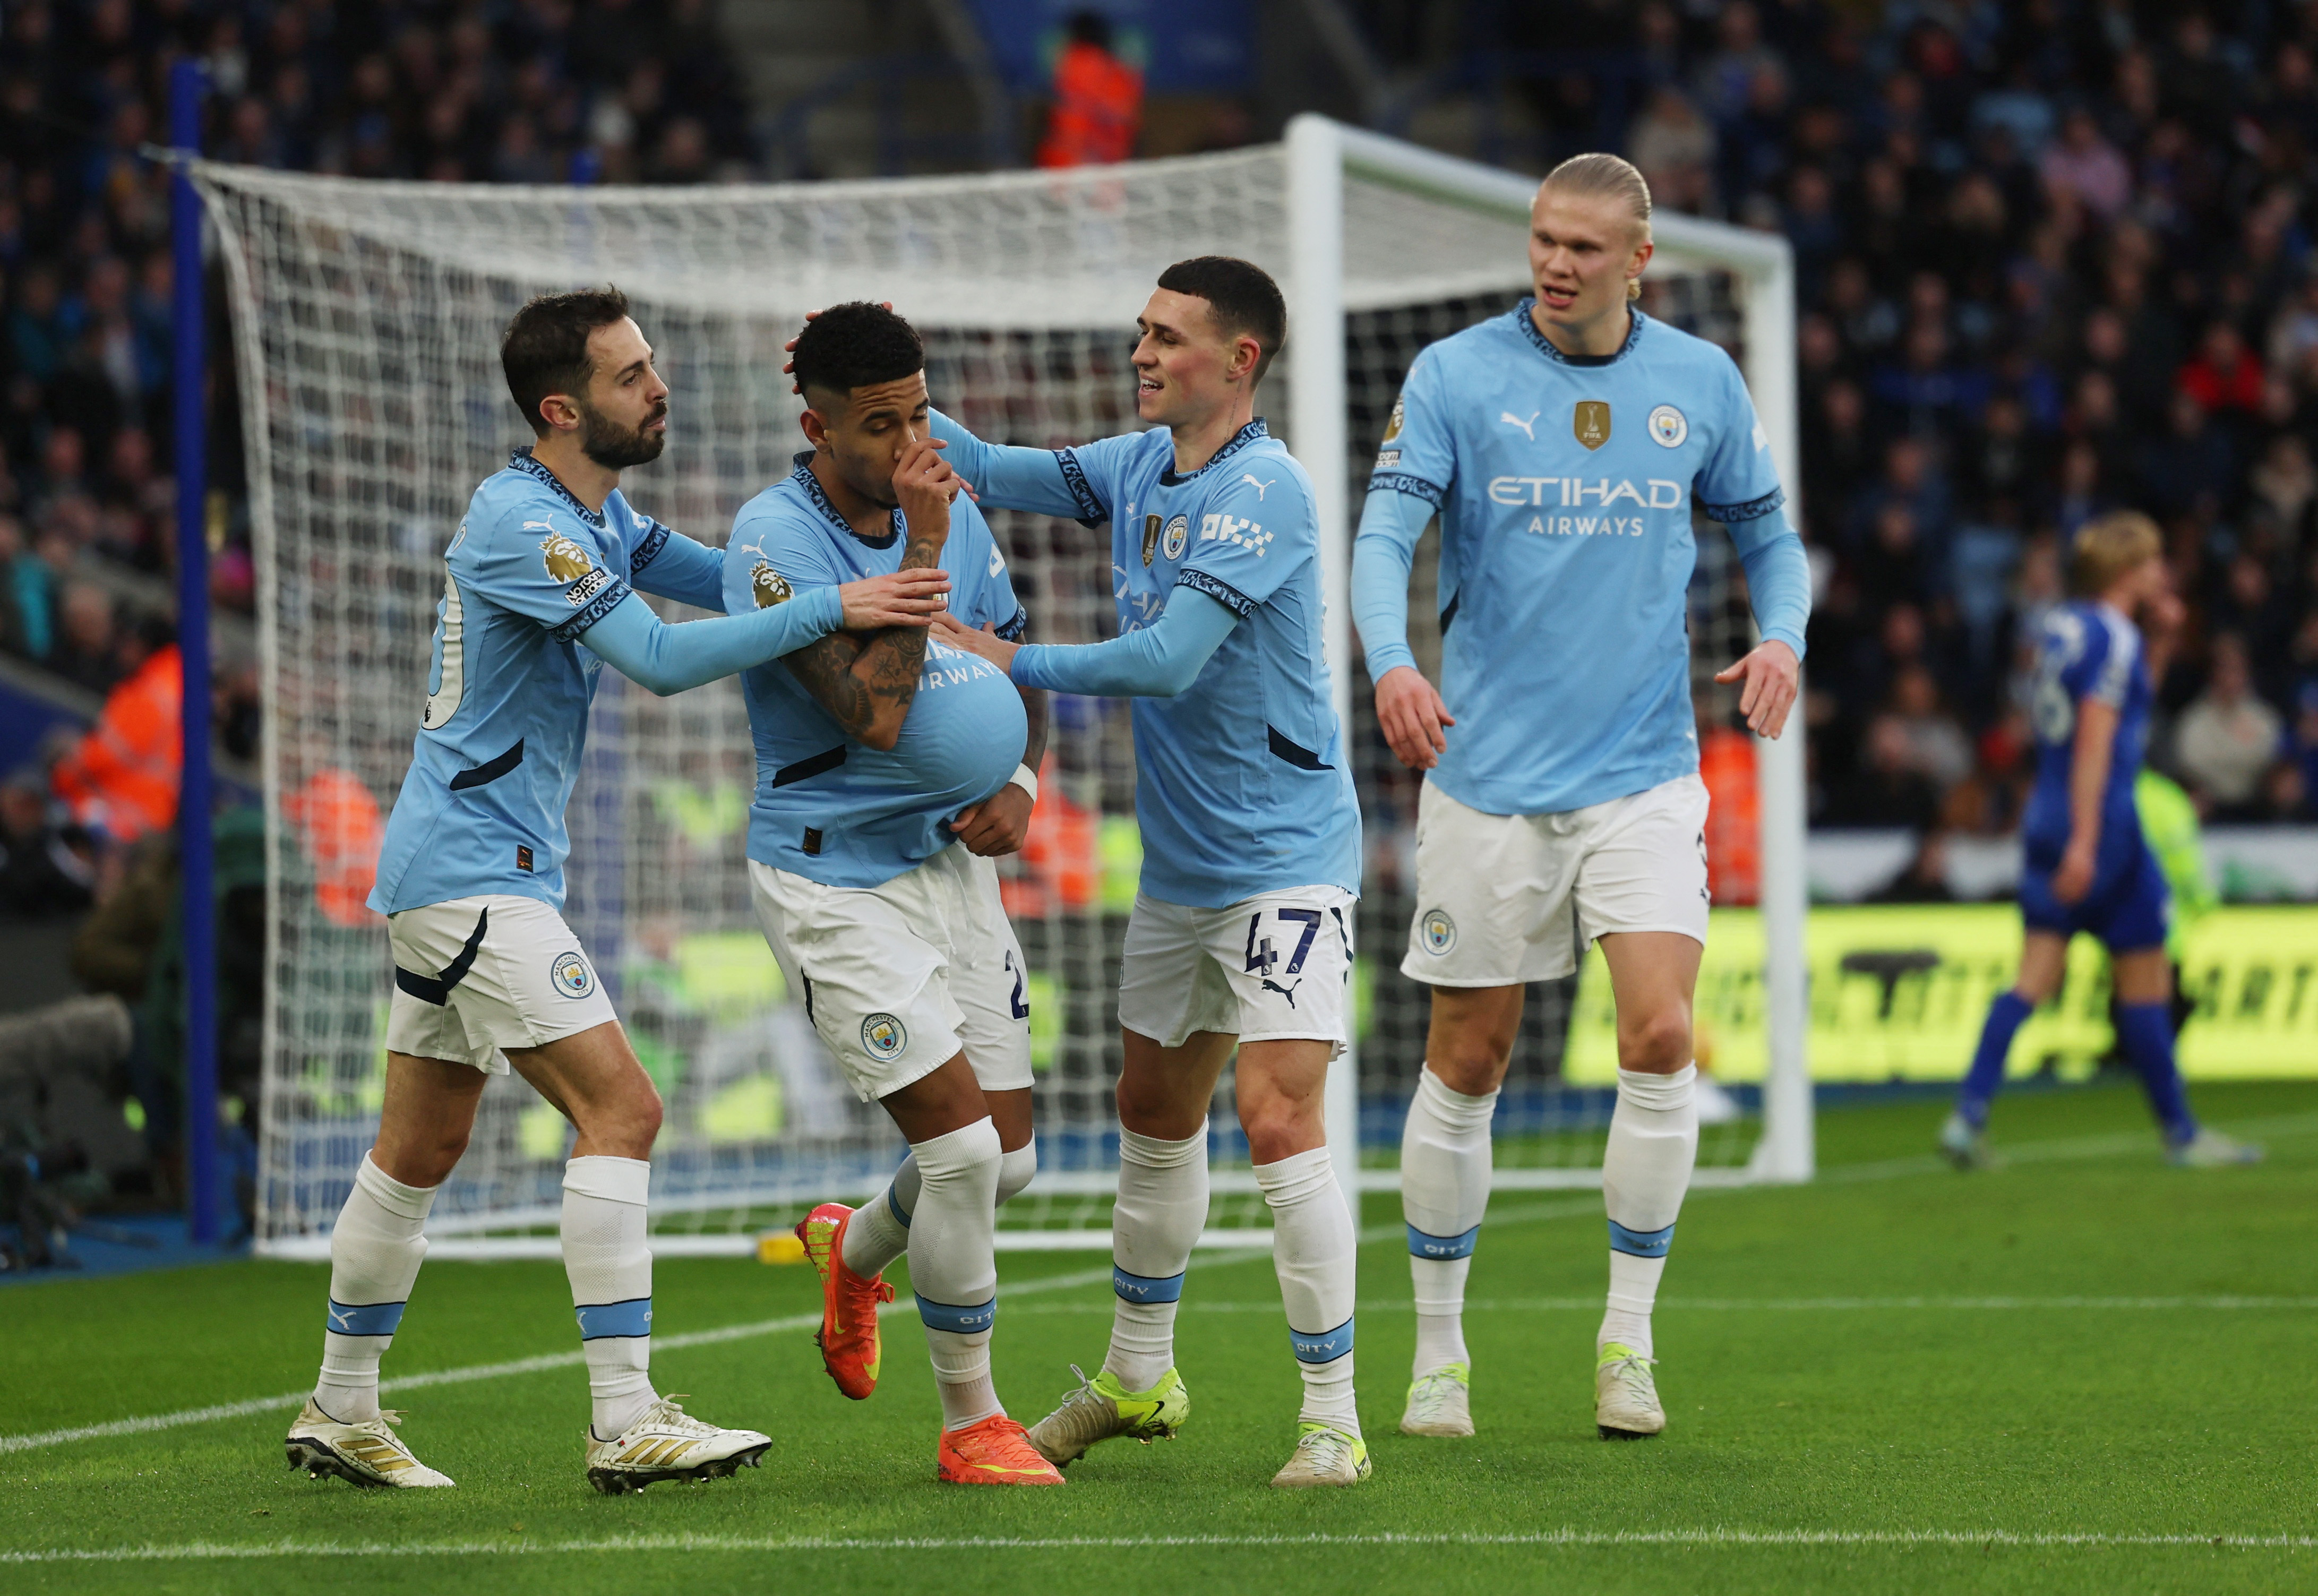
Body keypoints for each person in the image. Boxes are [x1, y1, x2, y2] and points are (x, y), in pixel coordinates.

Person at [285, 287, 948, 1494]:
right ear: (562, 407)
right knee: (625, 1112)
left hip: (461, 873)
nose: (658, 387)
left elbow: (733, 580)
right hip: (474, 876)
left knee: (418, 1146)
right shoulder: (518, 522)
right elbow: (655, 657)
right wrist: (836, 603)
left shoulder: (604, 516)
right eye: (631, 374)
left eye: (651, 365)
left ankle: (340, 1403)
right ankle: (625, 1415)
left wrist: (857, 532)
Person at [1348, 153, 1810, 1444]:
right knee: (1467, 1059)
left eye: (1582, 249)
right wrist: (1389, 661)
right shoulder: (1453, 374)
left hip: (1642, 775)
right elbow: (1384, 535)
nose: (1554, 264)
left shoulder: (1697, 384)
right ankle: (1438, 1357)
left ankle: (1627, 1340)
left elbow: (1769, 535)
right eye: (1542, 240)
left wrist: (1781, 636)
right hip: (1485, 779)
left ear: (1637, 260)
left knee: (1660, 1037)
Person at [929, 256, 1368, 1487]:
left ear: (1237, 361)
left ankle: (1330, 1413)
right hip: (1180, 863)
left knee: (1276, 1114)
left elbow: (1169, 659)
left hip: (1283, 860)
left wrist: (1002, 661)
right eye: (1140, 331)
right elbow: (994, 468)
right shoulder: (1132, 467)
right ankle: (1136, 1374)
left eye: (1167, 338)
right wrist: (894, 396)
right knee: (1151, 1113)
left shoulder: (1263, 491)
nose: (1140, 353)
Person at [731, 303, 1058, 1487]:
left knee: (1009, 1163)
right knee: (965, 1158)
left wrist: (1022, 775)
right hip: (832, 880)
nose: (914, 440)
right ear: (818, 426)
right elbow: (870, 711)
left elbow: (1017, 660)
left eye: (921, 410)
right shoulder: (771, 542)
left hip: (949, 865)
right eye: (882, 424)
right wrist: (921, 545)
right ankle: (973, 1422)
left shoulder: (953, 502)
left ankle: (853, 1249)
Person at [1941, 512, 2260, 1170]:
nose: (2159, 572)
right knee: (2145, 979)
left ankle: (1966, 1117)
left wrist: (2164, 642)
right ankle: (2181, 1135)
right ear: (2125, 571)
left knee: (2030, 980)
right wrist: (2089, 842)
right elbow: (2098, 736)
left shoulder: (2060, 626)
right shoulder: (2114, 637)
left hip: (2044, 815)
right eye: (2149, 563)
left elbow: (2114, 703)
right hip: (2103, 824)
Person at [1036, 10, 1142, 169]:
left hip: (1083, 155)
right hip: (1095, 156)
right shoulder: (1122, 70)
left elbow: (1119, 115)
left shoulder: (1079, 60)